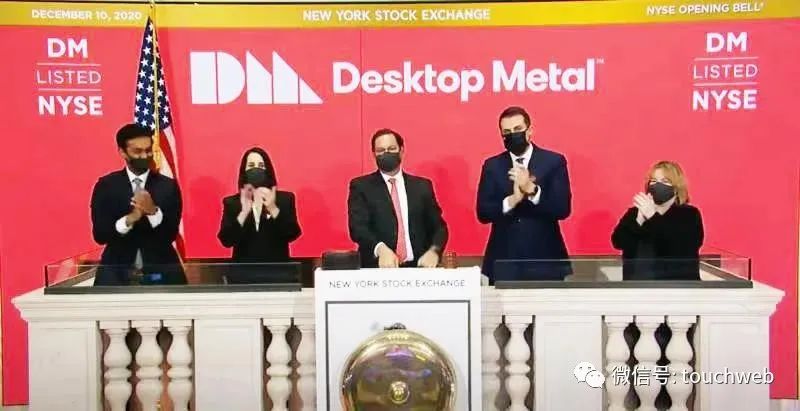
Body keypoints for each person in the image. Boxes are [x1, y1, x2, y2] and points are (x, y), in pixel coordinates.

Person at [477, 106, 572, 282]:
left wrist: (532, 190)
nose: (513, 135)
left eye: (518, 129)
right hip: (504, 261)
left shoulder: (553, 161)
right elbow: (483, 213)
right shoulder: (492, 166)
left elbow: (562, 208)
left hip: (546, 260)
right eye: (507, 132)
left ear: (529, 131)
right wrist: (512, 200)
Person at [90, 124, 185, 285]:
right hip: (116, 274)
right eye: (137, 151)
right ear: (123, 152)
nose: (145, 156)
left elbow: (170, 234)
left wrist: (153, 212)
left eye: (148, 150)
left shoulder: (168, 186)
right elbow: (100, 235)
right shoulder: (106, 186)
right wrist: (130, 219)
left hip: (162, 272)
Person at [348, 128, 448, 268]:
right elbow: (358, 228)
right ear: (373, 154)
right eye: (381, 150)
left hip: (419, 269)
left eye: (391, 149)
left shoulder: (422, 186)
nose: (386, 153)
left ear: (401, 150)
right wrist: (380, 249)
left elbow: (439, 227)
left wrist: (434, 251)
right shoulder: (361, 187)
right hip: (377, 269)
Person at [611, 161, 704, 280]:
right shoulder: (635, 212)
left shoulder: (689, 215)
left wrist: (652, 216)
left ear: (676, 188)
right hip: (638, 285)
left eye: (665, 181)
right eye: (654, 181)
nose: (658, 185)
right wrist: (639, 220)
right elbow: (618, 242)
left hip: (678, 285)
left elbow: (680, 247)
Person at [217, 147, 301, 264]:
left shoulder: (284, 200)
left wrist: (273, 209)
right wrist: (243, 214)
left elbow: (293, 234)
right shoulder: (232, 203)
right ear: (244, 171)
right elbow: (226, 240)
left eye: (261, 165)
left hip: (278, 270)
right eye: (251, 165)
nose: (256, 169)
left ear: (268, 170)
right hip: (243, 271)